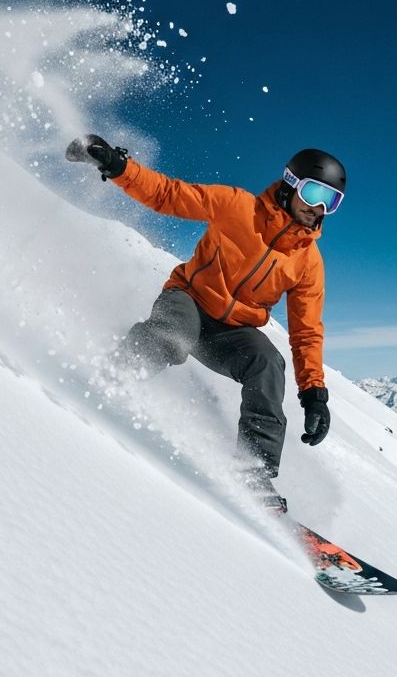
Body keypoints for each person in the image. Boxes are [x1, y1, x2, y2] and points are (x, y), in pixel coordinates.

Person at [65, 135, 345, 511]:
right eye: (314, 194)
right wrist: (118, 167)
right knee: (174, 338)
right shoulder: (237, 206)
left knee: (268, 364)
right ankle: (110, 378)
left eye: (332, 201)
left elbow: (306, 330)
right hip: (190, 300)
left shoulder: (308, 262)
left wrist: (314, 394)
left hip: (232, 333)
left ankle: (252, 472)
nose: (319, 209)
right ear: (291, 182)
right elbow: (169, 195)